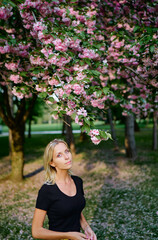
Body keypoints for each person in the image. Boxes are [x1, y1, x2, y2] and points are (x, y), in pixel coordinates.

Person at [32, 139, 97, 240]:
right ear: (52, 163)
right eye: (59, 155)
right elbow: (36, 231)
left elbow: (75, 208)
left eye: (67, 151)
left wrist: (86, 227)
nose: (67, 157)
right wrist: (68, 235)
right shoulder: (47, 190)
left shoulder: (77, 181)